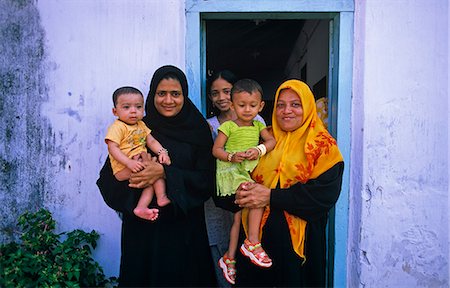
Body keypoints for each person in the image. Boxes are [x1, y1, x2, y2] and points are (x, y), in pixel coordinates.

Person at [96, 65, 216, 287]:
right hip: (143, 236)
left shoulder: (198, 130)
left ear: (184, 95)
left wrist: (165, 173)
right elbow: (107, 181)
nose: (168, 100)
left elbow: (207, 180)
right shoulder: (136, 128)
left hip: (184, 233)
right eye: (162, 93)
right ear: (153, 94)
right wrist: (137, 178)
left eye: (175, 94)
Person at [232, 79, 344, 287]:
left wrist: (271, 196)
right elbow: (235, 173)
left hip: (299, 249)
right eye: (281, 104)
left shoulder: (323, 146)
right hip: (254, 241)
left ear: (308, 107)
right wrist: (240, 190)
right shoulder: (262, 139)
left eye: (295, 104)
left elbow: (324, 195)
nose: (287, 111)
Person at [205, 70, 266, 287]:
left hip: (248, 183)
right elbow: (212, 154)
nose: (220, 97)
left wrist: (258, 150)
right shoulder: (210, 125)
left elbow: (269, 145)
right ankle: (227, 266)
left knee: (246, 230)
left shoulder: (256, 121)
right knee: (221, 238)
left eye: (226, 91)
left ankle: (246, 249)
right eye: (214, 93)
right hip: (221, 193)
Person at [105, 86, 171, 221]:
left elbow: (151, 141)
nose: (133, 111)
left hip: (139, 162)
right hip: (123, 168)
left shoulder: (141, 125)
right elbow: (113, 148)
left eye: (139, 107)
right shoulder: (117, 127)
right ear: (115, 111)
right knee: (153, 173)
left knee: (152, 176)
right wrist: (129, 162)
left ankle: (147, 204)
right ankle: (158, 198)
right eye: (126, 107)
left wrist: (162, 152)